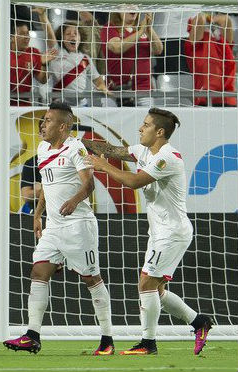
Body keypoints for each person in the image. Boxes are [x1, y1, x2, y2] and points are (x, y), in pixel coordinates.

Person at [83, 108, 213, 355]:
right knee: (158, 291)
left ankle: (148, 343)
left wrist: (102, 166)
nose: (140, 128)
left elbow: (134, 181)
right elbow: (112, 150)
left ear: (160, 132)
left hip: (172, 231)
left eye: (145, 125)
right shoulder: (142, 150)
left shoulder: (168, 157)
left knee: (146, 284)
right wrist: (77, 141)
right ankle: (199, 322)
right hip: (160, 231)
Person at [4, 102, 114, 356]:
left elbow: (89, 185)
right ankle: (32, 335)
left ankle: (107, 338)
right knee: (39, 271)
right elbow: (45, 185)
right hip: (53, 226)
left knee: (91, 278)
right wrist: (38, 214)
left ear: (63, 126)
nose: (43, 125)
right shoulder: (42, 149)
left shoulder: (76, 148)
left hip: (78, 226)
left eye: (48, 120)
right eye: (43, 120)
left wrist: (74, 201)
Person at [0, 19, 57, 106]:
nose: (26, 37)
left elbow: (42, 80)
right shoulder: (1, 55)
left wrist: (44, 64)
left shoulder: (33, 52)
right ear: (11, 37)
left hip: (25, 105)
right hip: (2, 105)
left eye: (27, 33)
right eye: (22, 34)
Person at [100, 12, 163, 106]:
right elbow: (117, 47)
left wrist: (148, 28)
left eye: (135, 5)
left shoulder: (144, 28)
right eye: (128, 5)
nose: (132, 8)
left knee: (145, 120)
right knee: (113, 120)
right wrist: (141, 31)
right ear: (118, 10)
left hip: (143, 88)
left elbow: (158, 50)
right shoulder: (110, 28)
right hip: (115, 89)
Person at [48, 21, 110, 107]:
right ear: (61, 38)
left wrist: (102, 86)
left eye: (76, 33)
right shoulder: (56, 54)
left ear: (80, 38)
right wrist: (43, 16)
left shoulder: (86, 59)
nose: (72, 35)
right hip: (60, 105)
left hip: (81, 105)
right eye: (68, 34)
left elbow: (98, 80)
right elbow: (50, 35)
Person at [185, 12, 236, 107]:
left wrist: (212, 19)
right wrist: (206, 17)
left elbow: (226, 20)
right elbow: (200, 19)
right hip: (204, 98)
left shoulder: (222, 42)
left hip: (226, 98)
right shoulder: (192, 45)